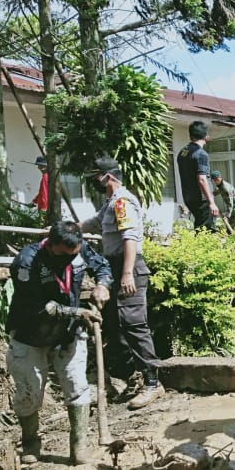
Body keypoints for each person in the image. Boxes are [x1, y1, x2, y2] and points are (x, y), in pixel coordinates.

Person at [6, 221, 112, 465]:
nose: (68, 260)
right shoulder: (26, 262)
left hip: (67, 334)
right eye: (63, 256)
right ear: (51, 245)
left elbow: (103, 267)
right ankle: (30, 442)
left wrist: (102, 285)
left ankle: (79, 446)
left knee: (77, 387)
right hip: (30, 334)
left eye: (72, 256)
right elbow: (36, 308)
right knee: (29, 393)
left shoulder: (79, 248)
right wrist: (78, 313)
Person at [80, 157, 164, 410]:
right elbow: (93, 223)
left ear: (108, 177)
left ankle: (152, 383)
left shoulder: (122, 202)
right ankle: (133, 378)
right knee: (117, 325)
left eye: (96, 177)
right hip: (113, 268)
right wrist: (68, 228)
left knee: (133, 323)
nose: (93, 182)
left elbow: (130, 239)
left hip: (128, 267)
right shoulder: (109, 204)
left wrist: (127, 273)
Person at [176, 120, 219, 230]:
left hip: (189, 198)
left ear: (191, 135)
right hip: (201, 200)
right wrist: (211, 202)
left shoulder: (182, 152)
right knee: (207, 231)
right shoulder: (201, 154)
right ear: (206, 136)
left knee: (200, 227)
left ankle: (197, 246)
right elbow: (202, 179)